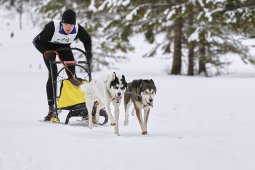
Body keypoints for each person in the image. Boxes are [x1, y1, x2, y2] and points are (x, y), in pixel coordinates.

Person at [33, 9, 92, 121]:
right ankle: (51, 109)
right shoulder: (52, 27)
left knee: (72, 77)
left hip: (64, 48)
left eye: (71, 24)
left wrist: (88, 52)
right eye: (66, 24)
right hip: (48, 48)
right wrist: (46, 52)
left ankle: (81, 105)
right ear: (62, 23)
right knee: (53, 74)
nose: (68, 27)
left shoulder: (78, 29)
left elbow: (87, 40)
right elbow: (36, 41)